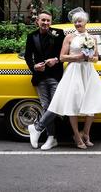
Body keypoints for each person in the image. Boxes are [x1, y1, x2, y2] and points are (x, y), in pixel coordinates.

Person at [47, 8, 101, 149]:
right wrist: (78, 57)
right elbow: (62, 57)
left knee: (92, 101)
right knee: (72, 104)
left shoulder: (92, 38)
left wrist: (91, 58)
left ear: (85, 22)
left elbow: (97, 58)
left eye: (79, 21)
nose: (77, 24)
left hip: (88, 71)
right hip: (74, 71)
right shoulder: (69, 37)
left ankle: (86, 133)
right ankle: (77, 136)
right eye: (75, 22)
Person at [25, 10, 65, 150]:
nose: (45, 23)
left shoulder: (59, 33)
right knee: (46, 107)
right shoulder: (31, 36)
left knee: (56, 105)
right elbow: (27, 56)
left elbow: (64, 54)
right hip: (40, 77)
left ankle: (36, 127)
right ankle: (51, 138)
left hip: (55, 76)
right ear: (37, 21)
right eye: (43, 20)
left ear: (51, 22)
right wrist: (34, 67)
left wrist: (56, 60)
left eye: (48, 20)